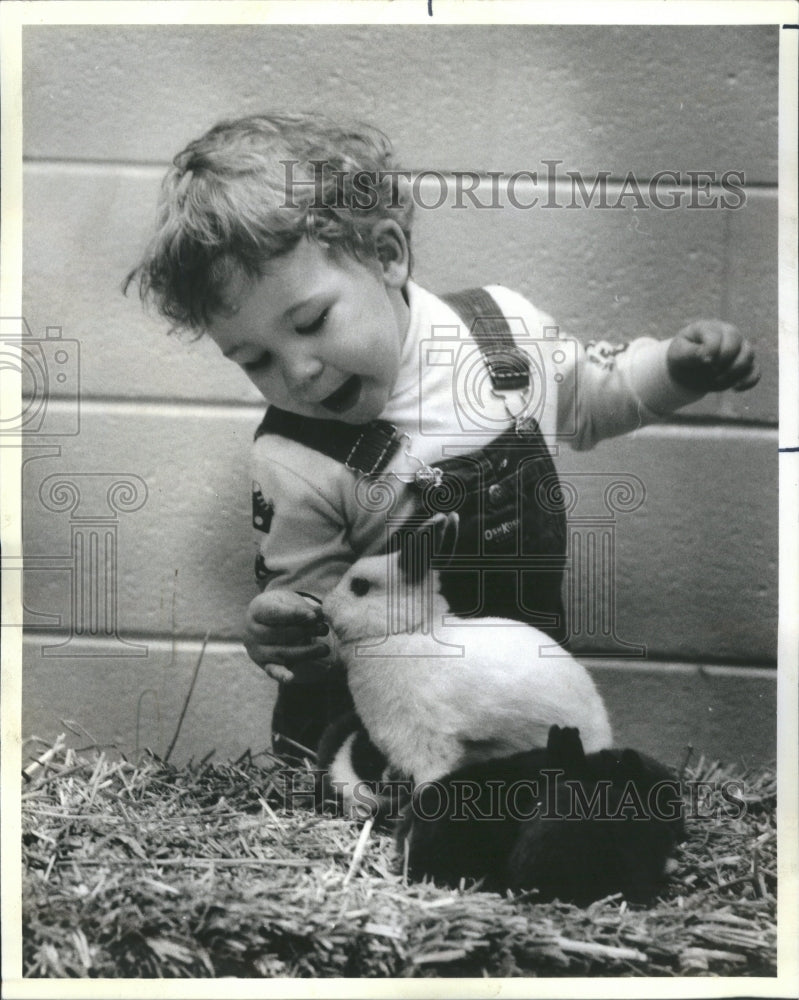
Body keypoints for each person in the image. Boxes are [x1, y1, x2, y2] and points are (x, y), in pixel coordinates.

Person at [126, 112, 760, 756]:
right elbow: (323, 612)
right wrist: (287, 636)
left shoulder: (505, 334)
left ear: (386, 255)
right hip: (381, 734)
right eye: (253, 360)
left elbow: (595, 397)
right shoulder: (293, 458)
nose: (298, 372)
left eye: (312, 321)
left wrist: (679, 369)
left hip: (506, 713)